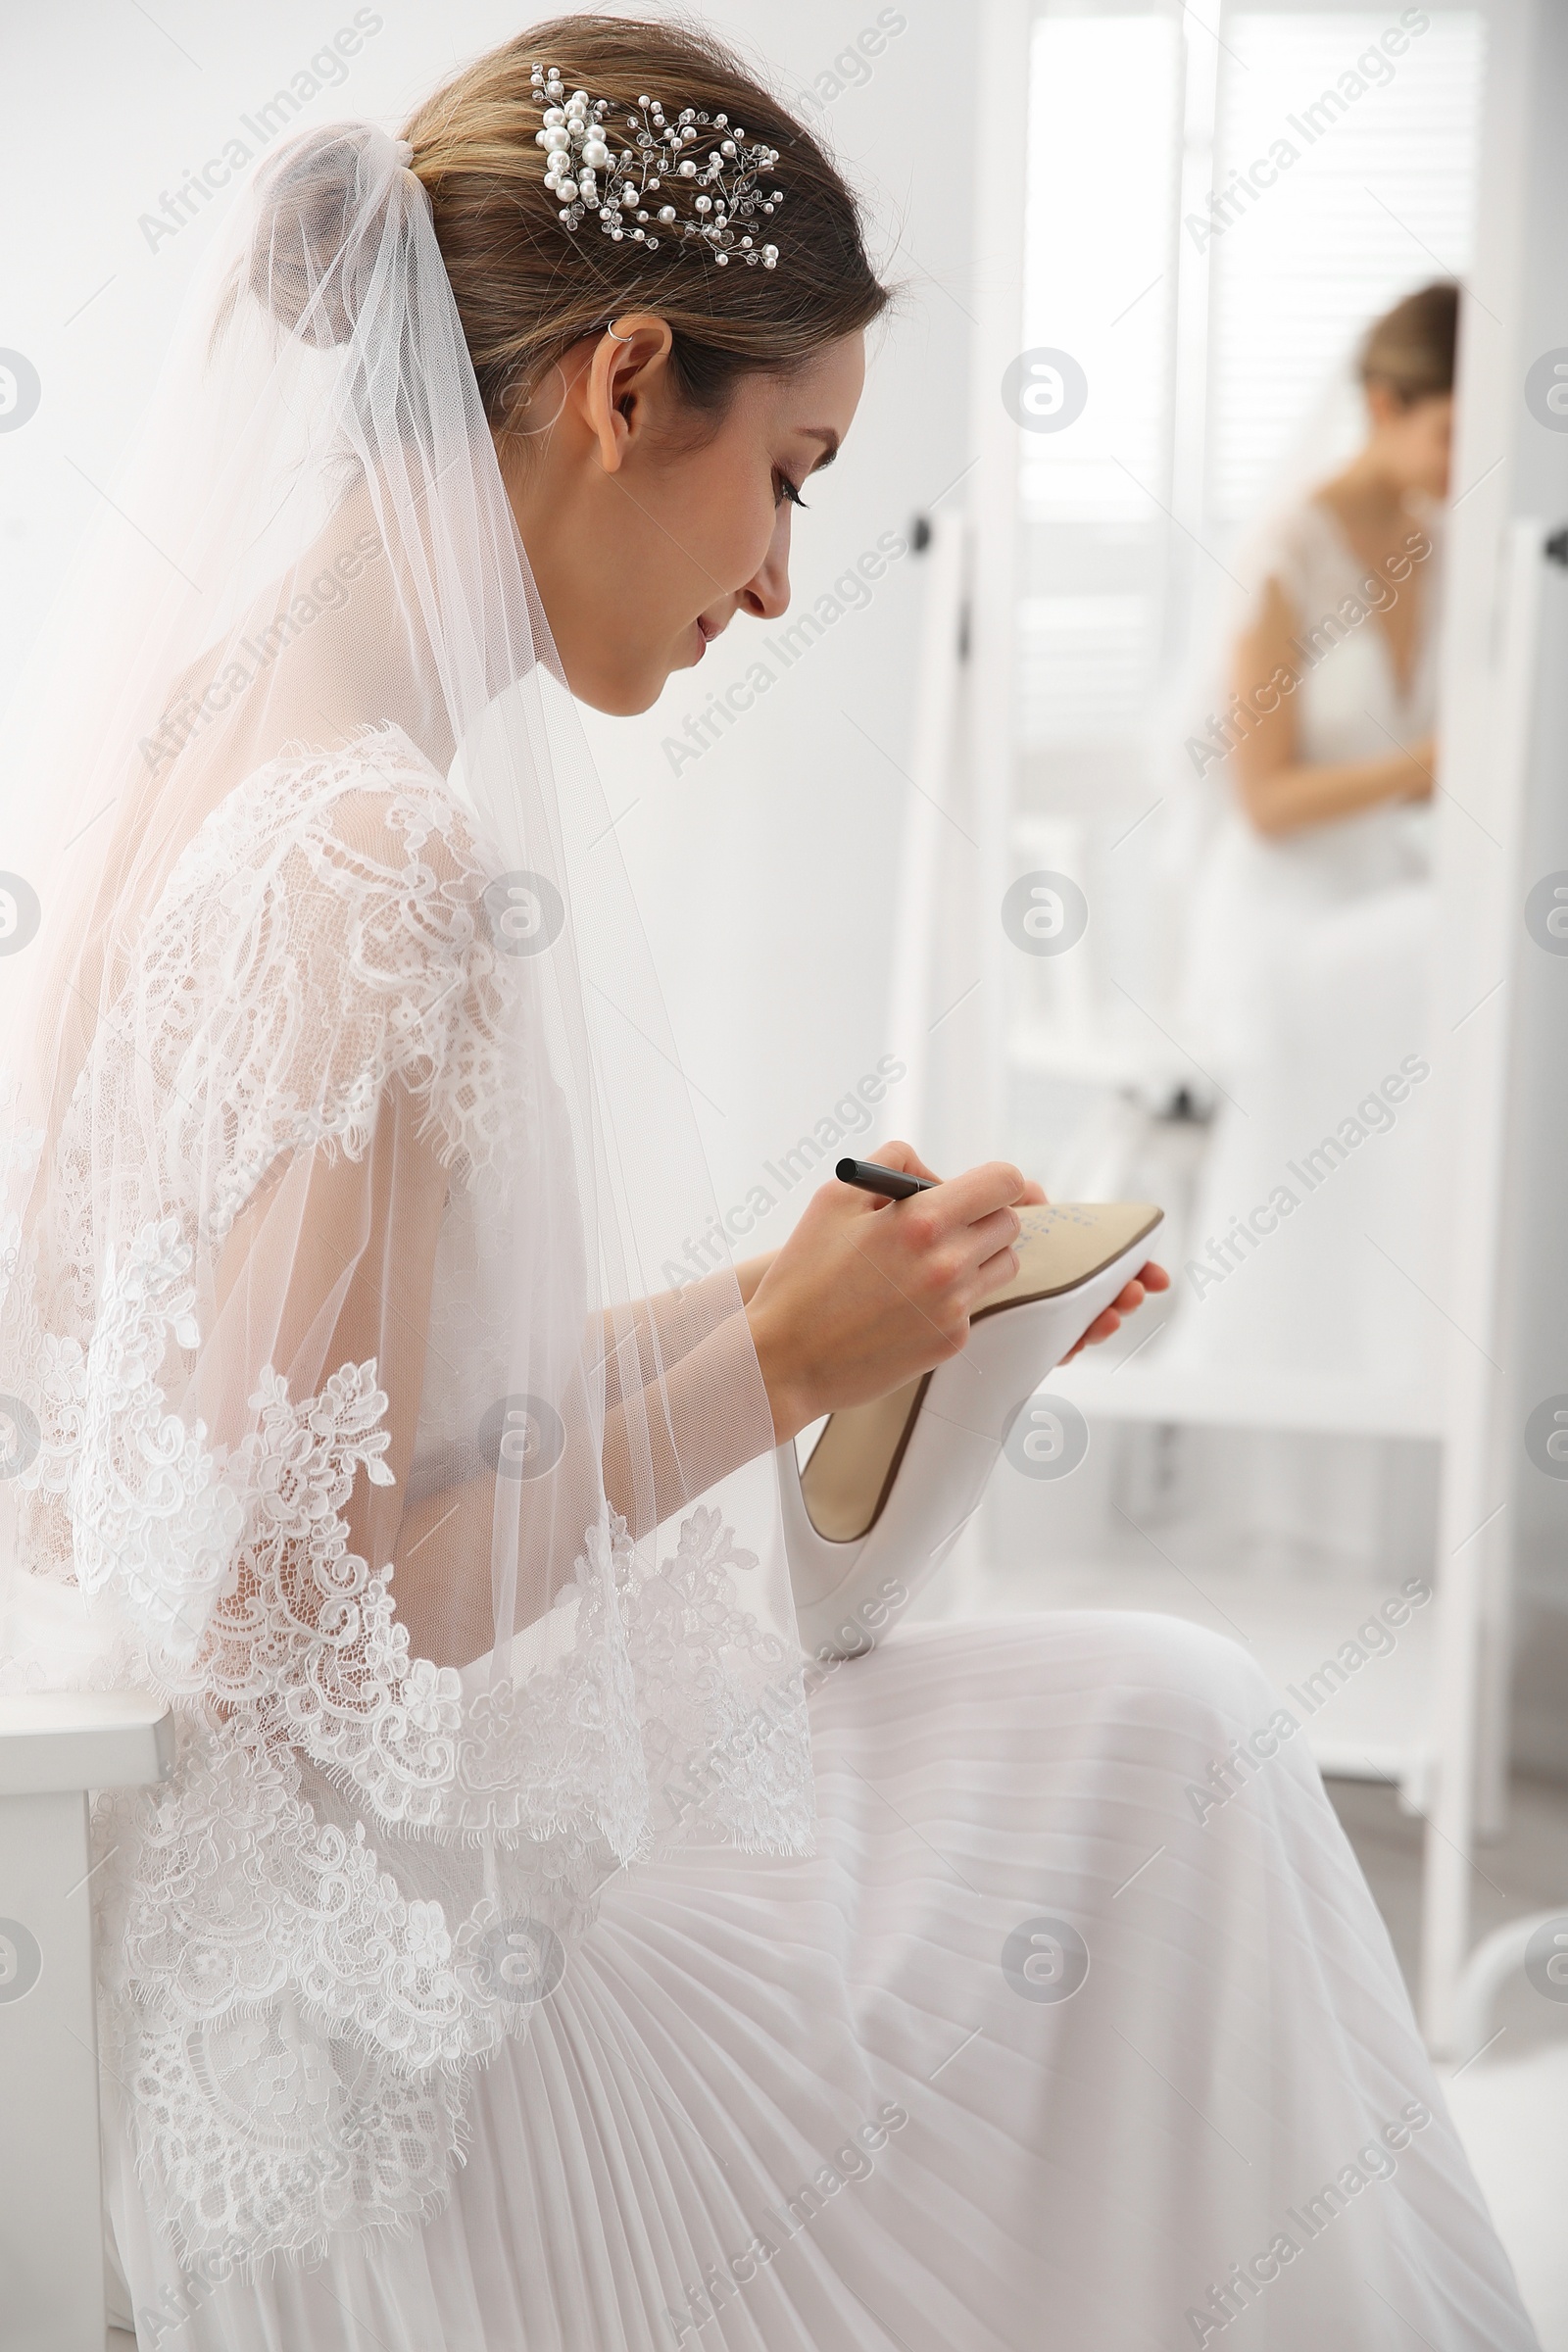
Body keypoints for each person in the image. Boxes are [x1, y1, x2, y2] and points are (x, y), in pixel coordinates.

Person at [0, 27, 1535, 2349]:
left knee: (1148, 1727)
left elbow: (344, 1421)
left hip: (270, 1957)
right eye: (791, 474)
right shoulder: (374, 856)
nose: (784, 579)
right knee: (1176, 1740)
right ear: (627, 385)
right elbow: (301, 1616)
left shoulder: (227, 739)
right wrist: (779, 1366)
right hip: (396, 2072)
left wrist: (822, 1298)